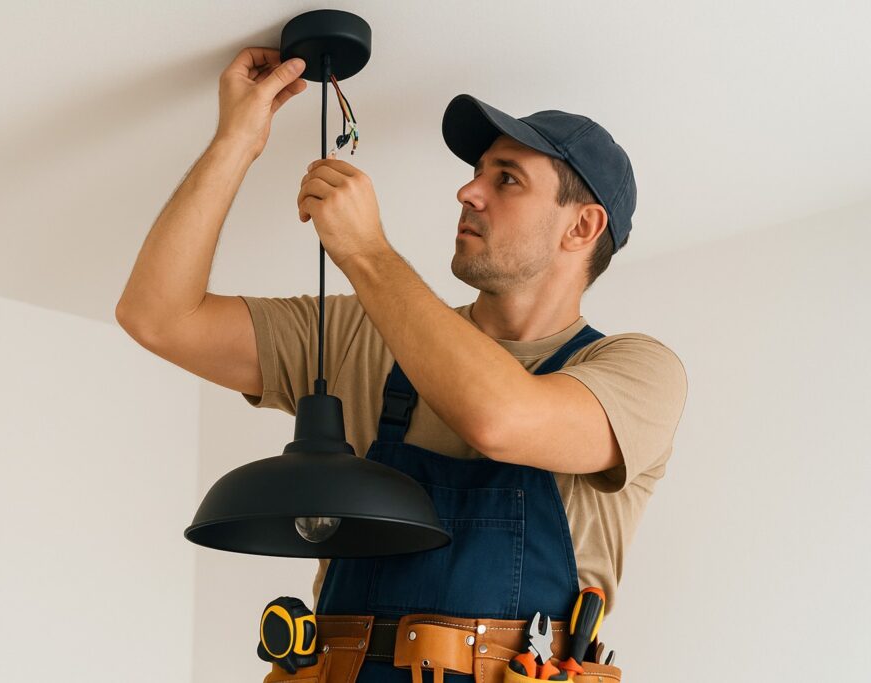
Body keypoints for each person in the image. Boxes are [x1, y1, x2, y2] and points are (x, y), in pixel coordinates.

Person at [116, 46, 687, 683]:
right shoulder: (365, 333)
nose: (467, 191)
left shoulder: (636, 370)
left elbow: (500, 419)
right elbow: (158, 315)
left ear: (582, 227)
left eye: (507, 179)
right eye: (478, 171)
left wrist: (366, 252)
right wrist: (236, 142)